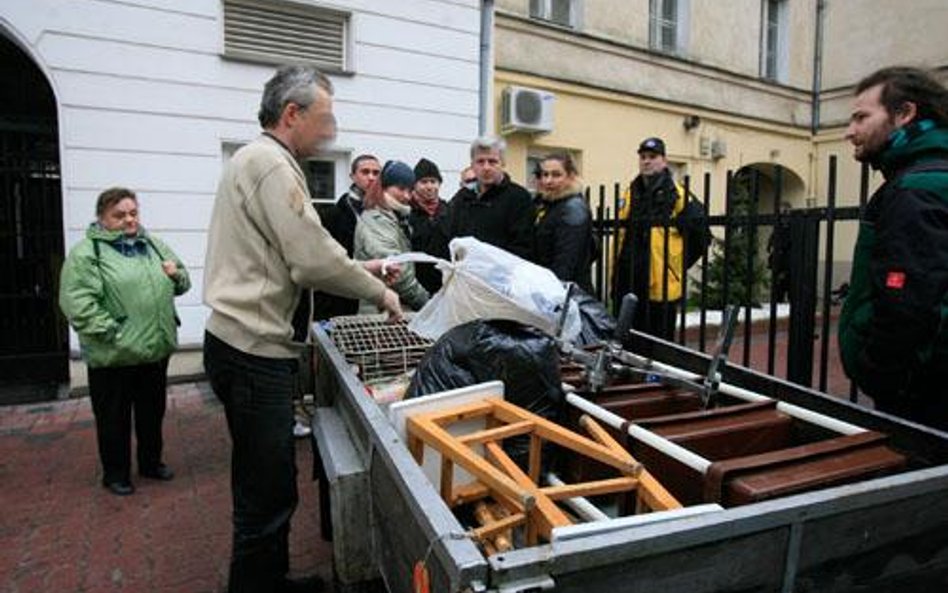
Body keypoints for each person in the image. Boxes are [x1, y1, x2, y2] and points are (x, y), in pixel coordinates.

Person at [203, 65, 402, 593]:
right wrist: (381, 292)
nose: (331, 130)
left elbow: (299, 248)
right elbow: (311, 259)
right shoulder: (272, 164)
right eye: (326, 117)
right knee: (265, 492)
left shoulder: (258, 160)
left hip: (240, 344)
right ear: (292, 114)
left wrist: (368, 269)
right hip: (253, 351)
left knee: (266, 484)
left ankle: (271, 579)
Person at [59, 187, 190, 496]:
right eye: (119, 215)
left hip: (153, 351)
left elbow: (182, 280)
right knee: (114, 419)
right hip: (114, 355)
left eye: (133, 213)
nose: (129, 220)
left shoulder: (153, 245)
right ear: (102, 218)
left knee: (150, 414)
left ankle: (150, 463)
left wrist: (175, 276)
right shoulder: (87, 253)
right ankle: (115, 474)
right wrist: (113, 333)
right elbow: (78, 303)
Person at [838, 66, 948, 431]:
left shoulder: (915, 189)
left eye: (861, 117)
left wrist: (879, 372)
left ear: (904, 114)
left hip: (921, 400)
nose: (849, 131)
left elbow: (908, 305)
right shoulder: (930, 176)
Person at [612, 137, 687, 341]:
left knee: (659, 346)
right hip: (629, 279)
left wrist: (675, 266)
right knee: (628, 341)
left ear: (664, 161)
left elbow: (698, 236)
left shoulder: (678, 195)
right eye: (643, 157)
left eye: (652, 157)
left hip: (660, 284)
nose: (646, 161)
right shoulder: (630, 192)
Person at [435, 136, 534, 260]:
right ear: (472, 165)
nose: (486, 167)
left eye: (492, 161)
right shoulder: (462, 197)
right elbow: (448, 237)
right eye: (480, 161)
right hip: (465, 273)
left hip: (501, 275)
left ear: (503, 163)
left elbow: (523, 247)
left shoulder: (519, 198)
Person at [312, 154, 382, 319]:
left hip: (374, 297)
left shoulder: (385, 213)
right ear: (353, 176)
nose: (371, 177)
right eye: (365, 172)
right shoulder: (333, 215)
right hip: (339, 301)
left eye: (376, 173)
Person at [354, 160, 430, 312]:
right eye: (401, 189)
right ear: (384, 187)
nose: (407, 196)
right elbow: (397, 272)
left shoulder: (394, 217)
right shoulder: (377, 220)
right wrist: (427, 303)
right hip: (381, 312)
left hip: (390, 308)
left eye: (410, 190)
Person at [531, 153, 594, 292]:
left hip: (566, 294)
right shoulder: (549, 205)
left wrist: (551, 291)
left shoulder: (572, 208)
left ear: (571, 177)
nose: (548, 180)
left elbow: (567, 262)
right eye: (545, 174)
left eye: (556, 175)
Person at [409, 157, 449, 294]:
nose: (429, 186)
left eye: (433, 181)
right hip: (415, 288)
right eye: (424, 182)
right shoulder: (407, 212)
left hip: (445, 287)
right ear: (414, 184)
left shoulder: (449, 211)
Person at [767, 203, 792, 303]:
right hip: (778, 265)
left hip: (789, 266)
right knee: (777, 294)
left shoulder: (792, 228)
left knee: (790, 293)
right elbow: (770, 245)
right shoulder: (778, 228)